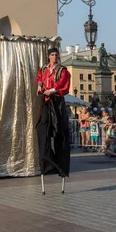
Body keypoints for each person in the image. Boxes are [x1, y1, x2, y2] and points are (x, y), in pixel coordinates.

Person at [35, 47, 71, 178]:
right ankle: (48, 163)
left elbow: (64, 84)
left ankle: (61, 166)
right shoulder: (44, 69)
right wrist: (40, 86)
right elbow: (40, 77)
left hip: (57, 102)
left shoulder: (62, 70)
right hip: (46, 101)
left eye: (56, 55)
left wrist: (52, 90)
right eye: (52, 55)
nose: (54, 57)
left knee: (58, 131)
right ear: (48, 57)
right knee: (42, 128)